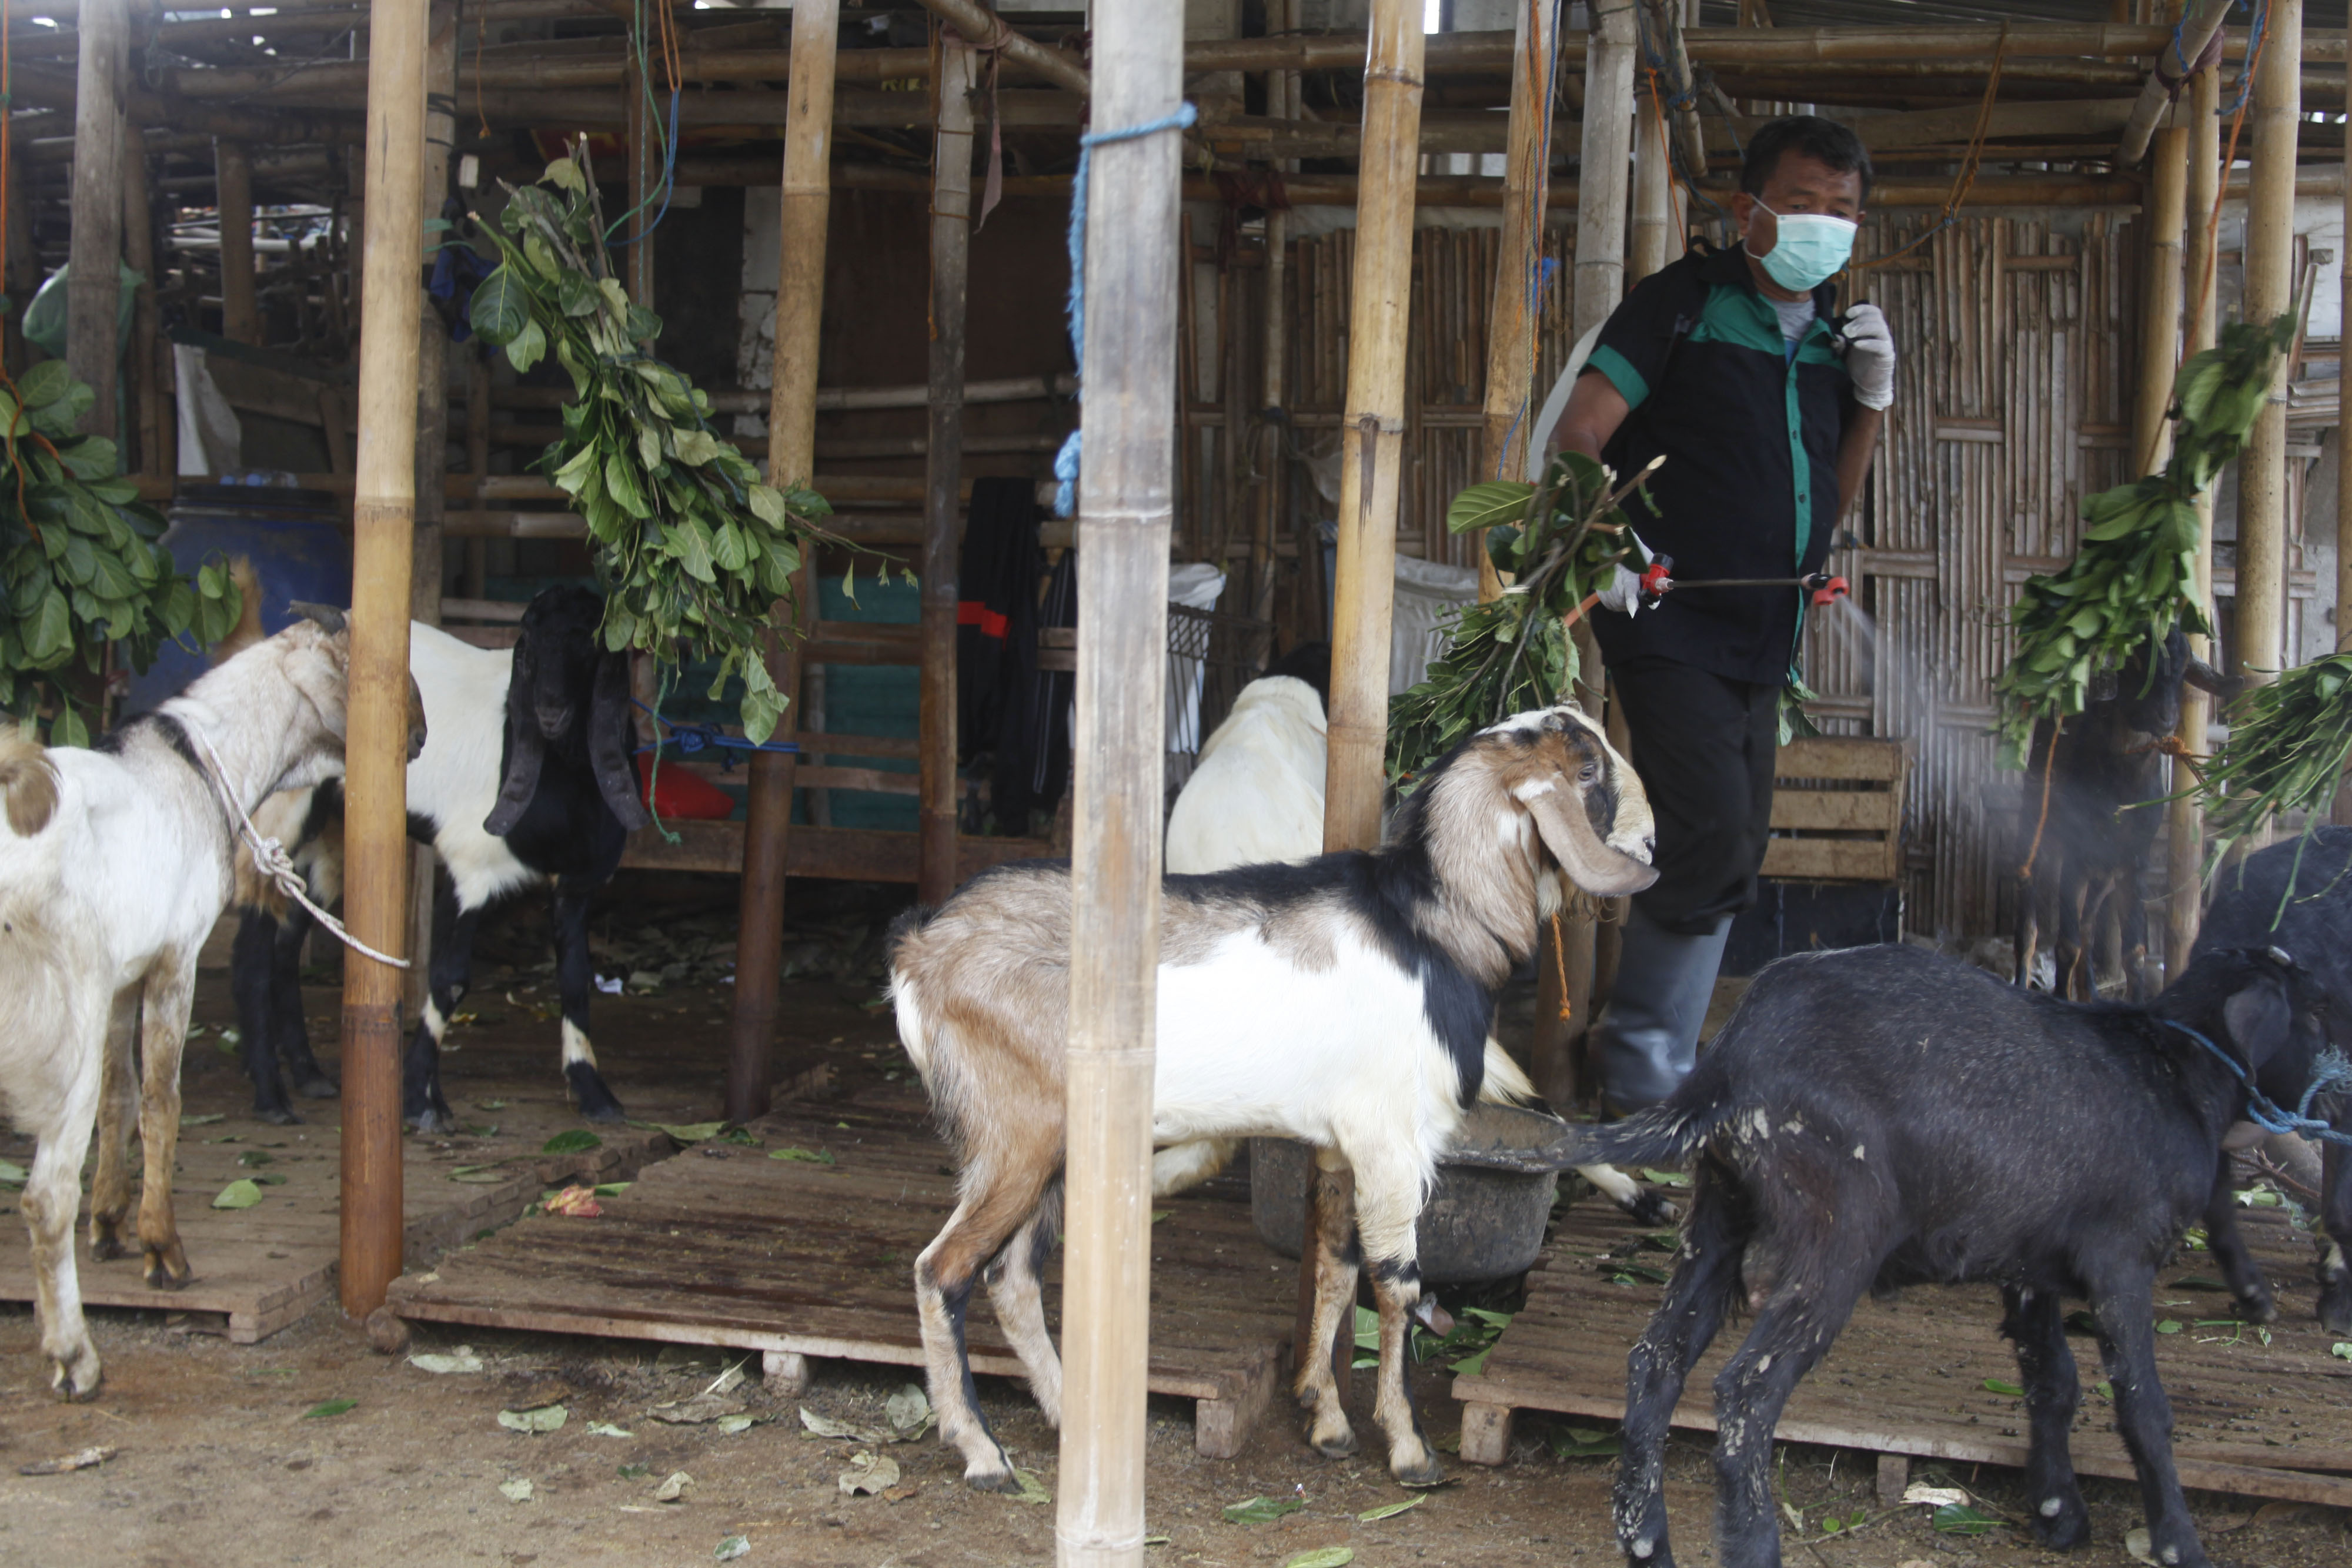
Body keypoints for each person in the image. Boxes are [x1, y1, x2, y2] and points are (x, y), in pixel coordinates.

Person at [1546, 115, 1895, 1115]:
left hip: (1762, 632)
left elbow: (1832, 498)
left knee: (1737, 840)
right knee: (1707, 824)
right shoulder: (1683, 306)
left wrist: (1870, 401)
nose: (1825, 226)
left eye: (1844, 211)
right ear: (1749, 210)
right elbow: (1581, 429)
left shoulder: (1833, 335)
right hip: (1663, 614)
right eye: (1804, 203)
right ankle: (1644, 1068)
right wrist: (1600, 533)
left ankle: (1649, 1041)